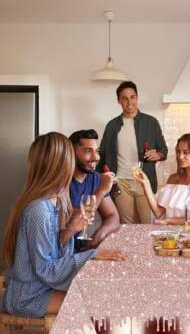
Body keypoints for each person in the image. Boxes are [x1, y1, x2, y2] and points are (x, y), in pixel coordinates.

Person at [1, 132, 126, 318]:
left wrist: (70, 230)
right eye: (70, 159)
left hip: (43, 287)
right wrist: (94, 254)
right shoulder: (39, 210)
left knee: (103, 293)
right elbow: (47, 271)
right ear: (61, 165)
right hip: (29, 296)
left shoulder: (56, 202)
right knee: (99, 303)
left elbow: (52, 255)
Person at [97, 81, 168, 224]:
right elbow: (102, 155)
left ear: (137, 98)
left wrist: (158, 155)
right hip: (121, 183)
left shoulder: (151, 122)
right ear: (119, 101)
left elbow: (163, 150)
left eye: (132, 97)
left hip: (143, 181)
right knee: (126, 226)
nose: (129, 102)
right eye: (124, 98)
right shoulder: (112, 126)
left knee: (146, 225)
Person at [136, 133, 190, 225]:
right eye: (178, 152)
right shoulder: (173, 179)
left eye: (186, 152)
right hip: (171, 236)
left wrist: (168, 221)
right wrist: (146, 184)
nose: (180, 157)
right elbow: (159, 213)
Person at [68, 129, 120, 250]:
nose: (96, 157)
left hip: (83, 250)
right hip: (62, 253)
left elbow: (113, 216)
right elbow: (74, 221)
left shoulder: (95, 178)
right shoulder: (62, 180)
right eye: (88, 151)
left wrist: (95, 239)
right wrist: (102, 190)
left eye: (97, 151)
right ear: (72, 153)